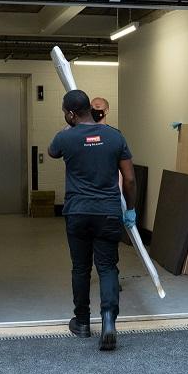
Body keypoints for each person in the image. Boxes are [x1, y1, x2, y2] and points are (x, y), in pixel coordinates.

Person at [48, 90, 136, 351]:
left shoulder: (65, 137)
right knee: (108, 267)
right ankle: (109, 320)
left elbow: (52, 151)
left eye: (66, 112)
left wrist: (70, 125)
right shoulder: (115, 136)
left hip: (77, 212)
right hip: (108, 212)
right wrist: (130, 210)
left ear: (71, 113)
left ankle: (83, 323)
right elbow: (129, 179)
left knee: (81, 268)